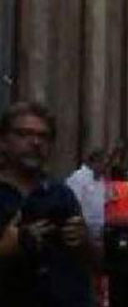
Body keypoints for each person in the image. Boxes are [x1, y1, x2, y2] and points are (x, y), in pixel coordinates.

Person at [0, 102, 93, 306]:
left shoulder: (61, 194)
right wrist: (7, 247)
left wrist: (84, 241)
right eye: (24, 134)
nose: (35, 142)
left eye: (44, 136)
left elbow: (92, 264)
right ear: (3, 141)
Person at [65, 149, 108, 243]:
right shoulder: (79, 177)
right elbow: (74, 203)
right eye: (104, 164)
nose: (105, 167)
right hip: (82, 233)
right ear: (95, 162)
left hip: (98, 233)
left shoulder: (101, 180)